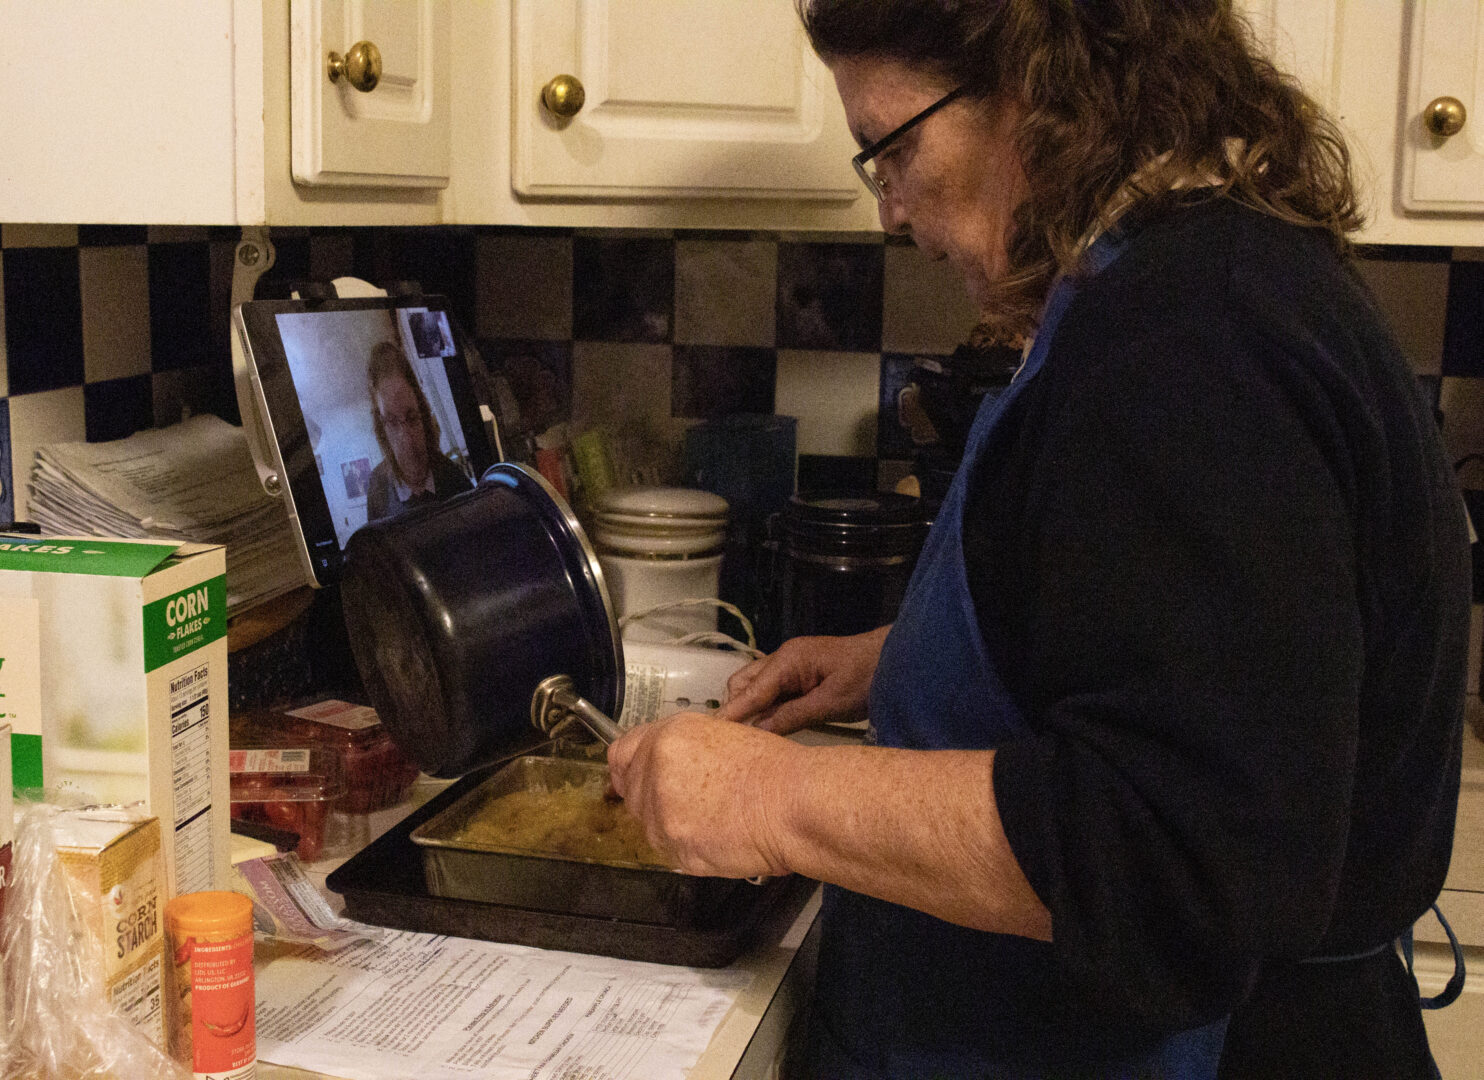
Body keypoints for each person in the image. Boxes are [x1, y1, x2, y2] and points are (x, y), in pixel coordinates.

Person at [605, 2, 1471, 1077]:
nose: (890, 210)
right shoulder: (1197, 276)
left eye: (893, 148)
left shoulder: (1190, 336)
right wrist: (903, 660)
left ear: (1032, 90)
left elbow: (1174, 856)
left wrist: (767, 797)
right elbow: (1215, 664)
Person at [364, 340, 471, 521]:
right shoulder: (377, 489)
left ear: (423, 414)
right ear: (381, 429)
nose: (407, 439)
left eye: (412, 418)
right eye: (392, 422)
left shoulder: (453, 477)